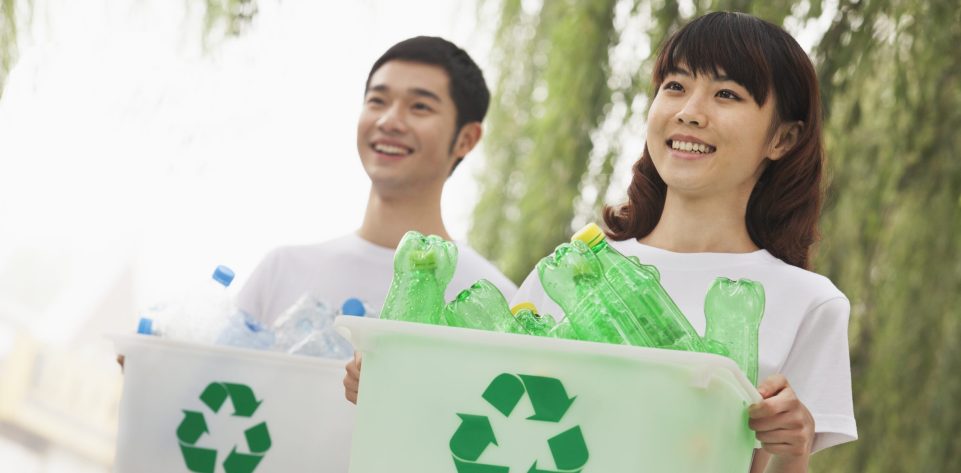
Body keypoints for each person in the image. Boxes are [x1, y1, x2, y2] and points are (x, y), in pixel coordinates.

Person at [509, 12, 856, 473]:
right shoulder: (568, 273)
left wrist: (792, 453)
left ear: (783, 138)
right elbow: (501, 427)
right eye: (675, 86)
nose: (689, 111)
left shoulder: (811, 304)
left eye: (726, 94)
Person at [237, 36, 516, 327]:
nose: (388, 121)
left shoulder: (496, 303)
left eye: (420, 106)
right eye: (377, 101)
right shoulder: (281, 273)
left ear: (466, 139)